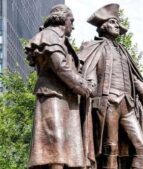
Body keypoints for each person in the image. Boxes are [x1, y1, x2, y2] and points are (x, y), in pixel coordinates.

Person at [78, 3, 143, 169]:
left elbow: (137, 81)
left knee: (141, 146)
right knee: (111, 148)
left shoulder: (124, 51)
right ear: (103, 26)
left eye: (117, 23)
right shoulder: (93, 46)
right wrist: (91, 86)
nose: (116, 26)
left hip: (127, 104)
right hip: (108, 102)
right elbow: (87, 71)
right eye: (112, 22)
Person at [25, 4, 93, 169]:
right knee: (55, 146)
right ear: (63, 19)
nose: (73, 26)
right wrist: (84, 87)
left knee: (64, 148)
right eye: (72, 21)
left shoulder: (61, 41)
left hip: (65, 99)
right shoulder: (49, 37)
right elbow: (61, 68)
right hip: (53, 96)